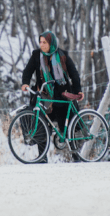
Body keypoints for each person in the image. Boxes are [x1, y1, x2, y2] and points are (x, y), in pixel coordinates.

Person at [21, 31, 84, 163]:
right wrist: (25, 83)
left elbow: (74, 74)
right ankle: (42, 157)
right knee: (39, 122)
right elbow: (27, 71)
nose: (41, 45)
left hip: (62, 96)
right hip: (44, 96)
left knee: (68, 125)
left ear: (51, 43)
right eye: (40, 42)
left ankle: (75, 155)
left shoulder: (62, 56)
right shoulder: (36, 55)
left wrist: (78, 90)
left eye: (45, 42)